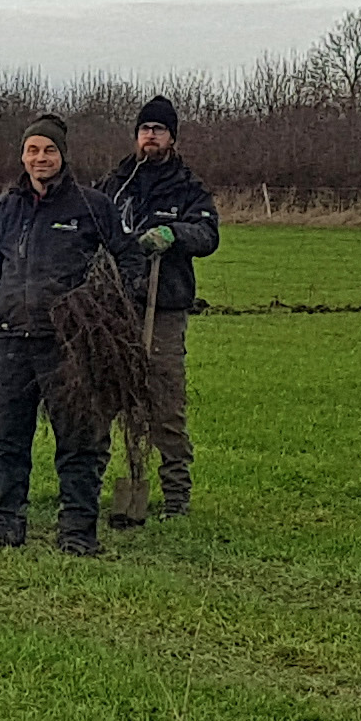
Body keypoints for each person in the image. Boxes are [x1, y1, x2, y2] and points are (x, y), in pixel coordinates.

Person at [0, 115, 147, 556]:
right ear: (22, 155)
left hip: (67, 345)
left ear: (62, 154)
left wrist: (112, 316)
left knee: (79, 441)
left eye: (48, 150)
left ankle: (78, 531)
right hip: (10, 342)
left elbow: (130, 263)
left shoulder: (92, 206)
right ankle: (4, 527)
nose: (39, 158)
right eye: (32, 150)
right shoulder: (4, 209)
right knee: (7, 440)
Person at [94, 95, 219, 522]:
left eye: (158, 129)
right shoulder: (115, 184)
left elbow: (208, 234)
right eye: (145, 129)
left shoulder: (188, 187)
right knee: (105, 398)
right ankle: (90, 485)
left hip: (163, 308)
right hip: (116, 307)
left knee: (165, 401)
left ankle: (176, 495)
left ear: (172, 137)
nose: (150, 136)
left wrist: (174, 233)